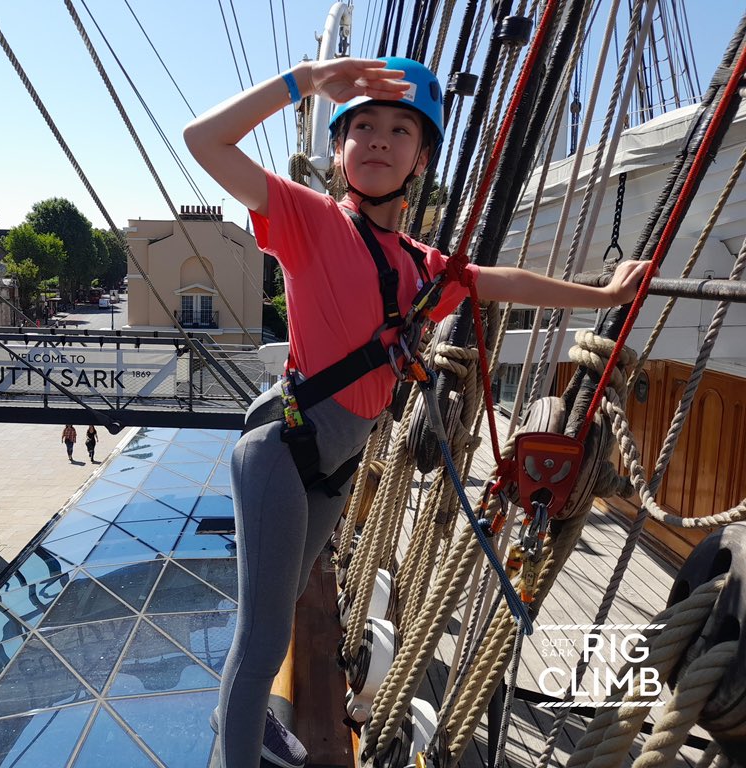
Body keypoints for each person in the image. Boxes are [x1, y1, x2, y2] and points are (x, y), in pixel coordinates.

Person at [183, 56, 650, 768]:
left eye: (400, 130)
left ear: (422, 159)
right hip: (281, 452)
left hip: (332, 466)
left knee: (282, 611)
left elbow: (506, 282)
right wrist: (306, 79)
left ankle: (246, 721)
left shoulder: (422, 267)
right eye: (362, 126)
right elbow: (203, 141)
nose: (378, 139)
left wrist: (605, 298)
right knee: (262, 631)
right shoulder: (309, 220)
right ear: (340, 149)